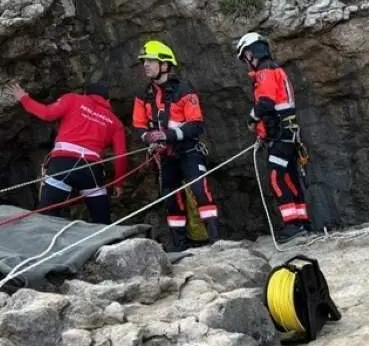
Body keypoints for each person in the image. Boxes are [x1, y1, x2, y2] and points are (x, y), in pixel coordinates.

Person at [131, 39, 220, 251]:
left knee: (200, 191)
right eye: (144, 61)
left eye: (150, 61)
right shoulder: (144, 95)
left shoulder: (184, 90)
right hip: (165, 156)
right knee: (171, 198)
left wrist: (167, 135)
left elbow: (196, 125)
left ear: (164, 65)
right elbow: (138, 125)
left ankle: (216, 241)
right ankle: (180, 246)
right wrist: (149, 139)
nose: (145, 65)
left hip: (188, 151)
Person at [6, 81, 127, 224]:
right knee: (102, 221)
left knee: (45, 217)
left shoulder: (73, 99)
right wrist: (119, 183)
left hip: (63, 164)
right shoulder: (115, 122)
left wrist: (24, 98)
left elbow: (46, 113)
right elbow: (121, 155)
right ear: (107, 101)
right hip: (91, 170)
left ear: (85, 94)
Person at [235, 32, 312, 243]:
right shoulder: (277, 70)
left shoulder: (265, 72)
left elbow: (266, 104)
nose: (246, 63)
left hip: (280, 135)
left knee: (277, 177)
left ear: (251, 53)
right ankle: (302, 222)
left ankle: (292, 226)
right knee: (290, 177)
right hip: (288, 134)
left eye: (245, 58)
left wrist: (251, 119)